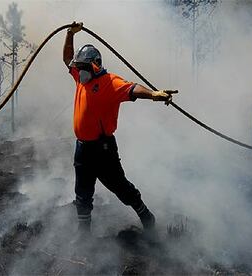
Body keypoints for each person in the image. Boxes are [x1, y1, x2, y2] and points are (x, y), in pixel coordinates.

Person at [63, 22, 177, 236]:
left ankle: (145, 215)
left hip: (102, 149)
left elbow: (133, 89)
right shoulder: (80, 78)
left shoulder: (110, 82)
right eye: (78, 67)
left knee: (121, 187)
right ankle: (83, 235)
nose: (78, 70)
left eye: (83, 67)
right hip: (83, 148)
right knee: (82, 193)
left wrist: (153, 94)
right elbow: (67, 58)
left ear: (95, 65)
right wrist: (70, 34)